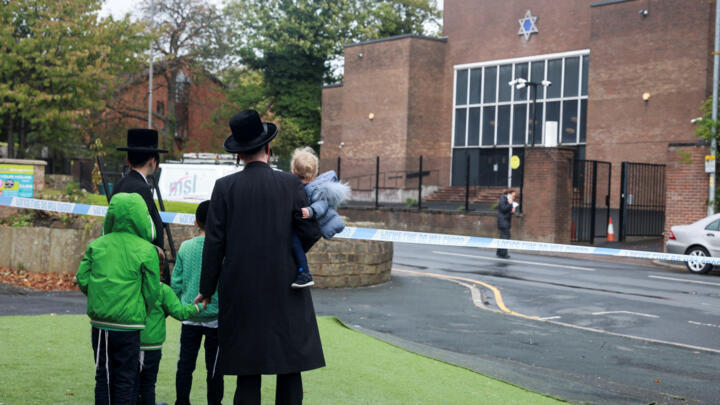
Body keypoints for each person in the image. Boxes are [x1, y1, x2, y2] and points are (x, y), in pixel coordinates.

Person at [195, 110, 323, 405]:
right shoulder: (291, 185)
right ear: (268, 147)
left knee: (247, 373)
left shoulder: (224, 188)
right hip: (287, 285)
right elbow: (310, 230)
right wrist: (288, 254)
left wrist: (206, 288)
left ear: (239, 154)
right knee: (290, 369)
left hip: (242, 289)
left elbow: (214, 243)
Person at [76, 193, 161, 405]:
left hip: (102, 323)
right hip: (131, 324)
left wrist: (99, 296)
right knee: (127, 378)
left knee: (103, 376)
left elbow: (82, 279)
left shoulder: (97, 245)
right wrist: (141, 307)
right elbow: (152, 291)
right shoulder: (148, 250)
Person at [171, 200, 224, 405]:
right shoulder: (223, 249)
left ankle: (181, 401)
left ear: (195, 222)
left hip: (190, 314)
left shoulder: (185, 247)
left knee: (185, 364)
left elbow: (176, 281)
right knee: (215, 366)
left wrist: (175, 306)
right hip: (215, 316)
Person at [137, 265, 204, 405]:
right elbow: (181, 313)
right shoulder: (163, 290)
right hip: (153, 345)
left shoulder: (132, 287)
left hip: (132, 342)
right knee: (149, 384)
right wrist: (199, 306)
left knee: (130, 383)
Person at [113, 128, 170, 283]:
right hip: (139, 266)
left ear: (128, 160)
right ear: (153, 161)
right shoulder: (141, 188)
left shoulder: (119, 185)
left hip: (120, 259)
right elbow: (144, 227)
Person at [289, 147, 350, 288]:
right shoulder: (306, 186)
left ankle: (305, 273)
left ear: (293, 171)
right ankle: (301, 271)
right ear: (315, 172)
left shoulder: (316, 188)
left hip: (312, 226)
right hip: (309, 228)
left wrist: (311, 211)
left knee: (294, 243)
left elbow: (322, 204)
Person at [496, 189, 517, 259]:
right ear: (509, 194)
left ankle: (499, 252)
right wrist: (510, 204)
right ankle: (503, 254)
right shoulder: (503, 198)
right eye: (513, 195)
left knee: (503, 237)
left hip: (506, 221)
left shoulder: (507, 200)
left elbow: (507, 211)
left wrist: (512, 211)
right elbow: (503, 209)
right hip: (503, 221)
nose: (514, 197)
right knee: (505, 237)